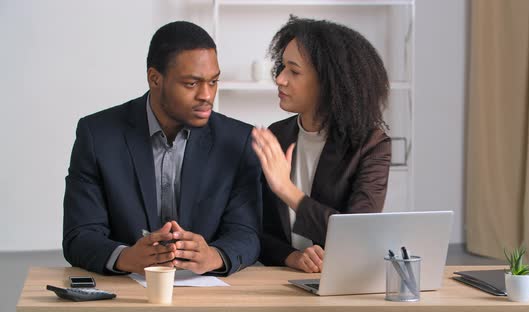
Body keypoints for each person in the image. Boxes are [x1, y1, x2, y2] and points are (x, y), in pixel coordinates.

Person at [62, 21, 261, 276]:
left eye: (213, 82)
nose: (207, 95)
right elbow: (79, 235)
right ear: (155, 79)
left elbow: (247, 233)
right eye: (192, 83)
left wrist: (215, 255)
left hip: (207, 292)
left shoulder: (238, 140)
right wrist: (125, 257)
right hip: (124, 292)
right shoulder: (97, 135)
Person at [252, 16, 392, 273]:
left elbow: (358, 234)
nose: (280, 79)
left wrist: (287, 190)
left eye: (294, 71)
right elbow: (257, 229)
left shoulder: (371, 145)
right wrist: (291, 257)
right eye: (282, 67)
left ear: (330, 83)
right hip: (279, 280)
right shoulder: (276, 136)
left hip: (344, 278)